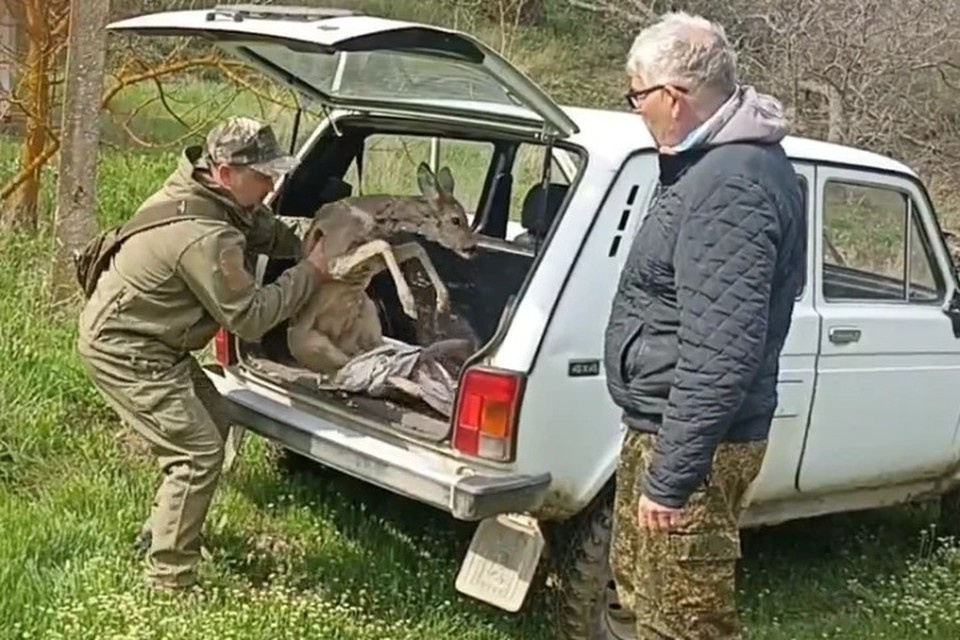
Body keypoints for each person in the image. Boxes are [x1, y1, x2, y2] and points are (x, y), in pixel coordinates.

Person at [602, 11, 806, 639]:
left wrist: (671, 477)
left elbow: (722, 351)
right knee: (640, 602)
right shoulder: (711, 168)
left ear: (672, 97)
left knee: (684, 626)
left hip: (696, 445)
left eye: (638, 97)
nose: (638, 111)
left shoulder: (731, 185)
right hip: (669, 429)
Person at [77, 116, 330, 592]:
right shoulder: (205, 235)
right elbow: (252, 318)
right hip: (127, 349)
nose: (272, 183)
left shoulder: (207, 195)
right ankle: (169, 579)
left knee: (215, 418)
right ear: (225, 172)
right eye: (262, 175)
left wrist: (320, 236)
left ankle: (162, 532)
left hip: (151, 339)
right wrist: (312, 272)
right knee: (196, 452)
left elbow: (264, 231)